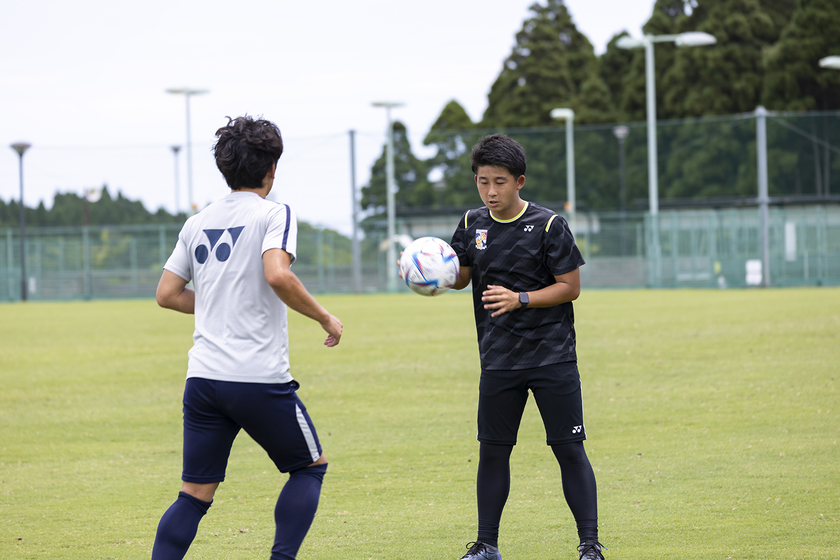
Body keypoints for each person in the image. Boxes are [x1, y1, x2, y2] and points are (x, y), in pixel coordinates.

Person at [152, 115, 343, 560]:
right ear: (271, 168)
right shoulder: (274, 213)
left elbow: (167, 294)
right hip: (256, 378)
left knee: (194, 494)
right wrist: (324, 317)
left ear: (224, 167)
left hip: (203, 380)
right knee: (309, 468)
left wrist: (219, 302)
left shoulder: (197, 222)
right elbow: (277, 274)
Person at [447, 134, 604, 560]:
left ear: (519, 181)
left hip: (552, 356)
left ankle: (590, 545)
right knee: (493, 452)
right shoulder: (471, 223)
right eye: (483, 181)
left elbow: (570, 287)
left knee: (568, 449)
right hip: (498, 359)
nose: (490, 191)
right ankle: (486, 546)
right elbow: (461, 277)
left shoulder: (549, 225)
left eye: (499, 182)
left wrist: (521, 298)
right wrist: (426, 271)